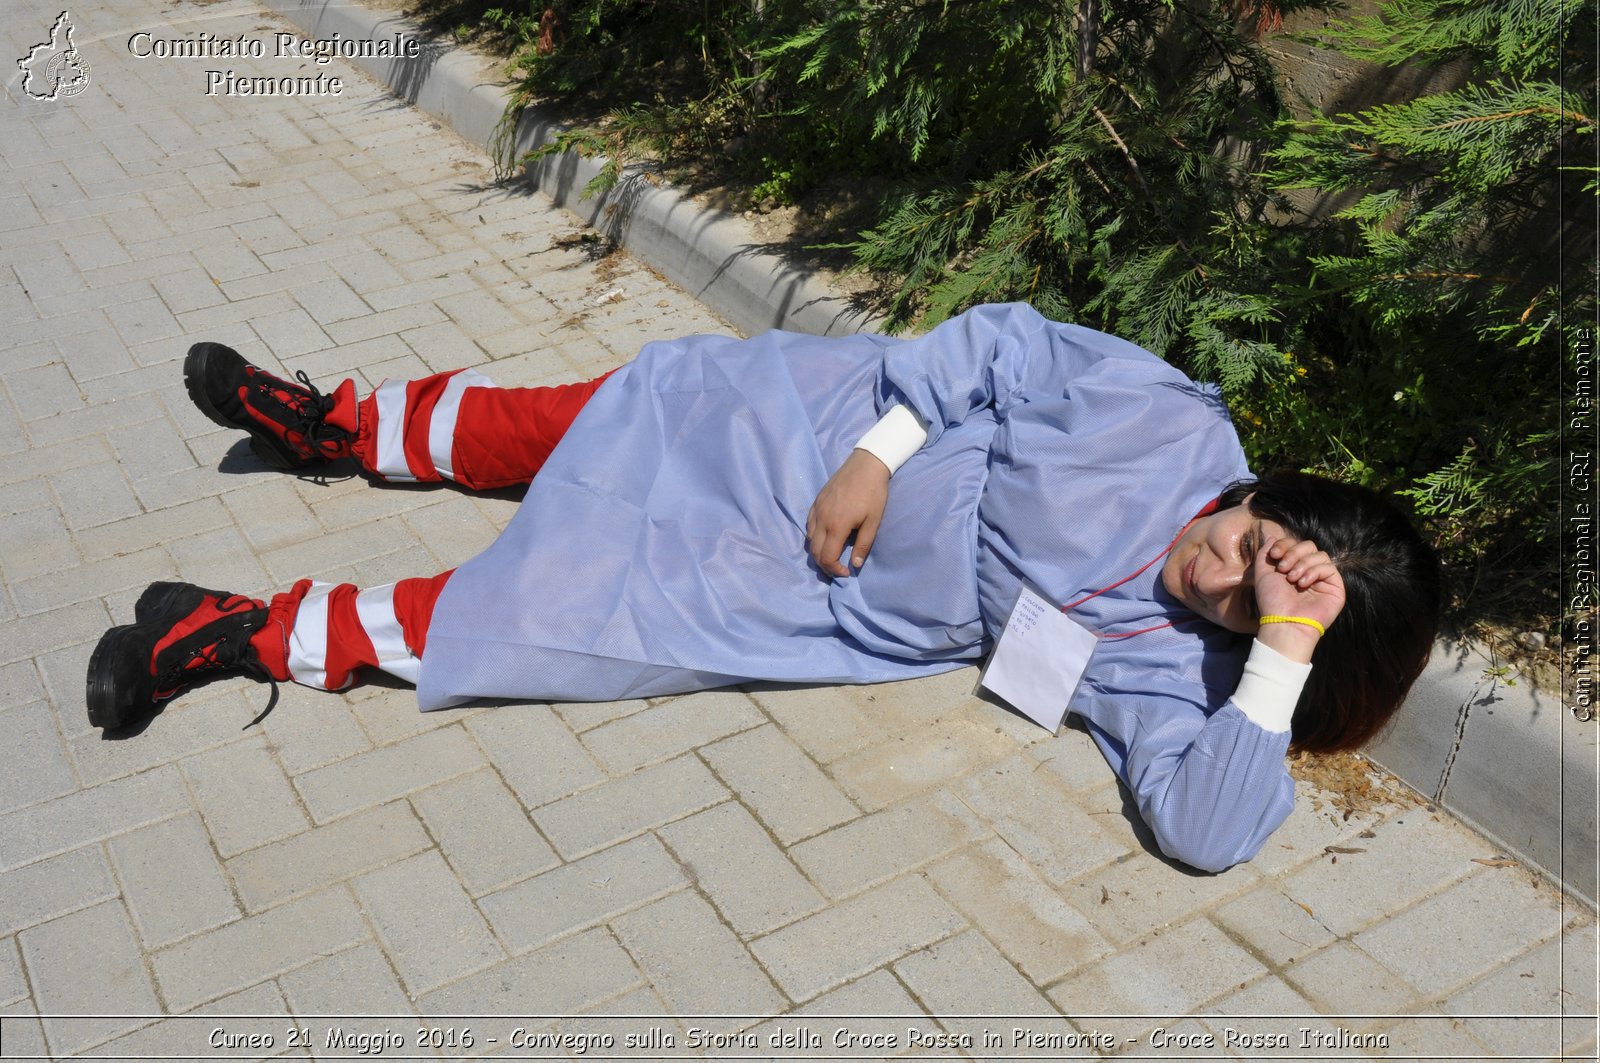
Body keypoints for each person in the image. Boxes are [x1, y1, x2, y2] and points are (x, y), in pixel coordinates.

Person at [85, 303, 1441, 871]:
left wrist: (1275, 651)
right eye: (1244, 539)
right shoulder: (1170, 426)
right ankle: (339, 427)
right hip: (828, 434)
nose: (1211, 575)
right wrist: (877, 451)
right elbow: (1003, 344)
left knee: (563, 614)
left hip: (819, 593)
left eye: (1241, 604)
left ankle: (245, 634)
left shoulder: (1187, 673)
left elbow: (1206, 831)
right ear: (1263, 490)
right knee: (595, 416)